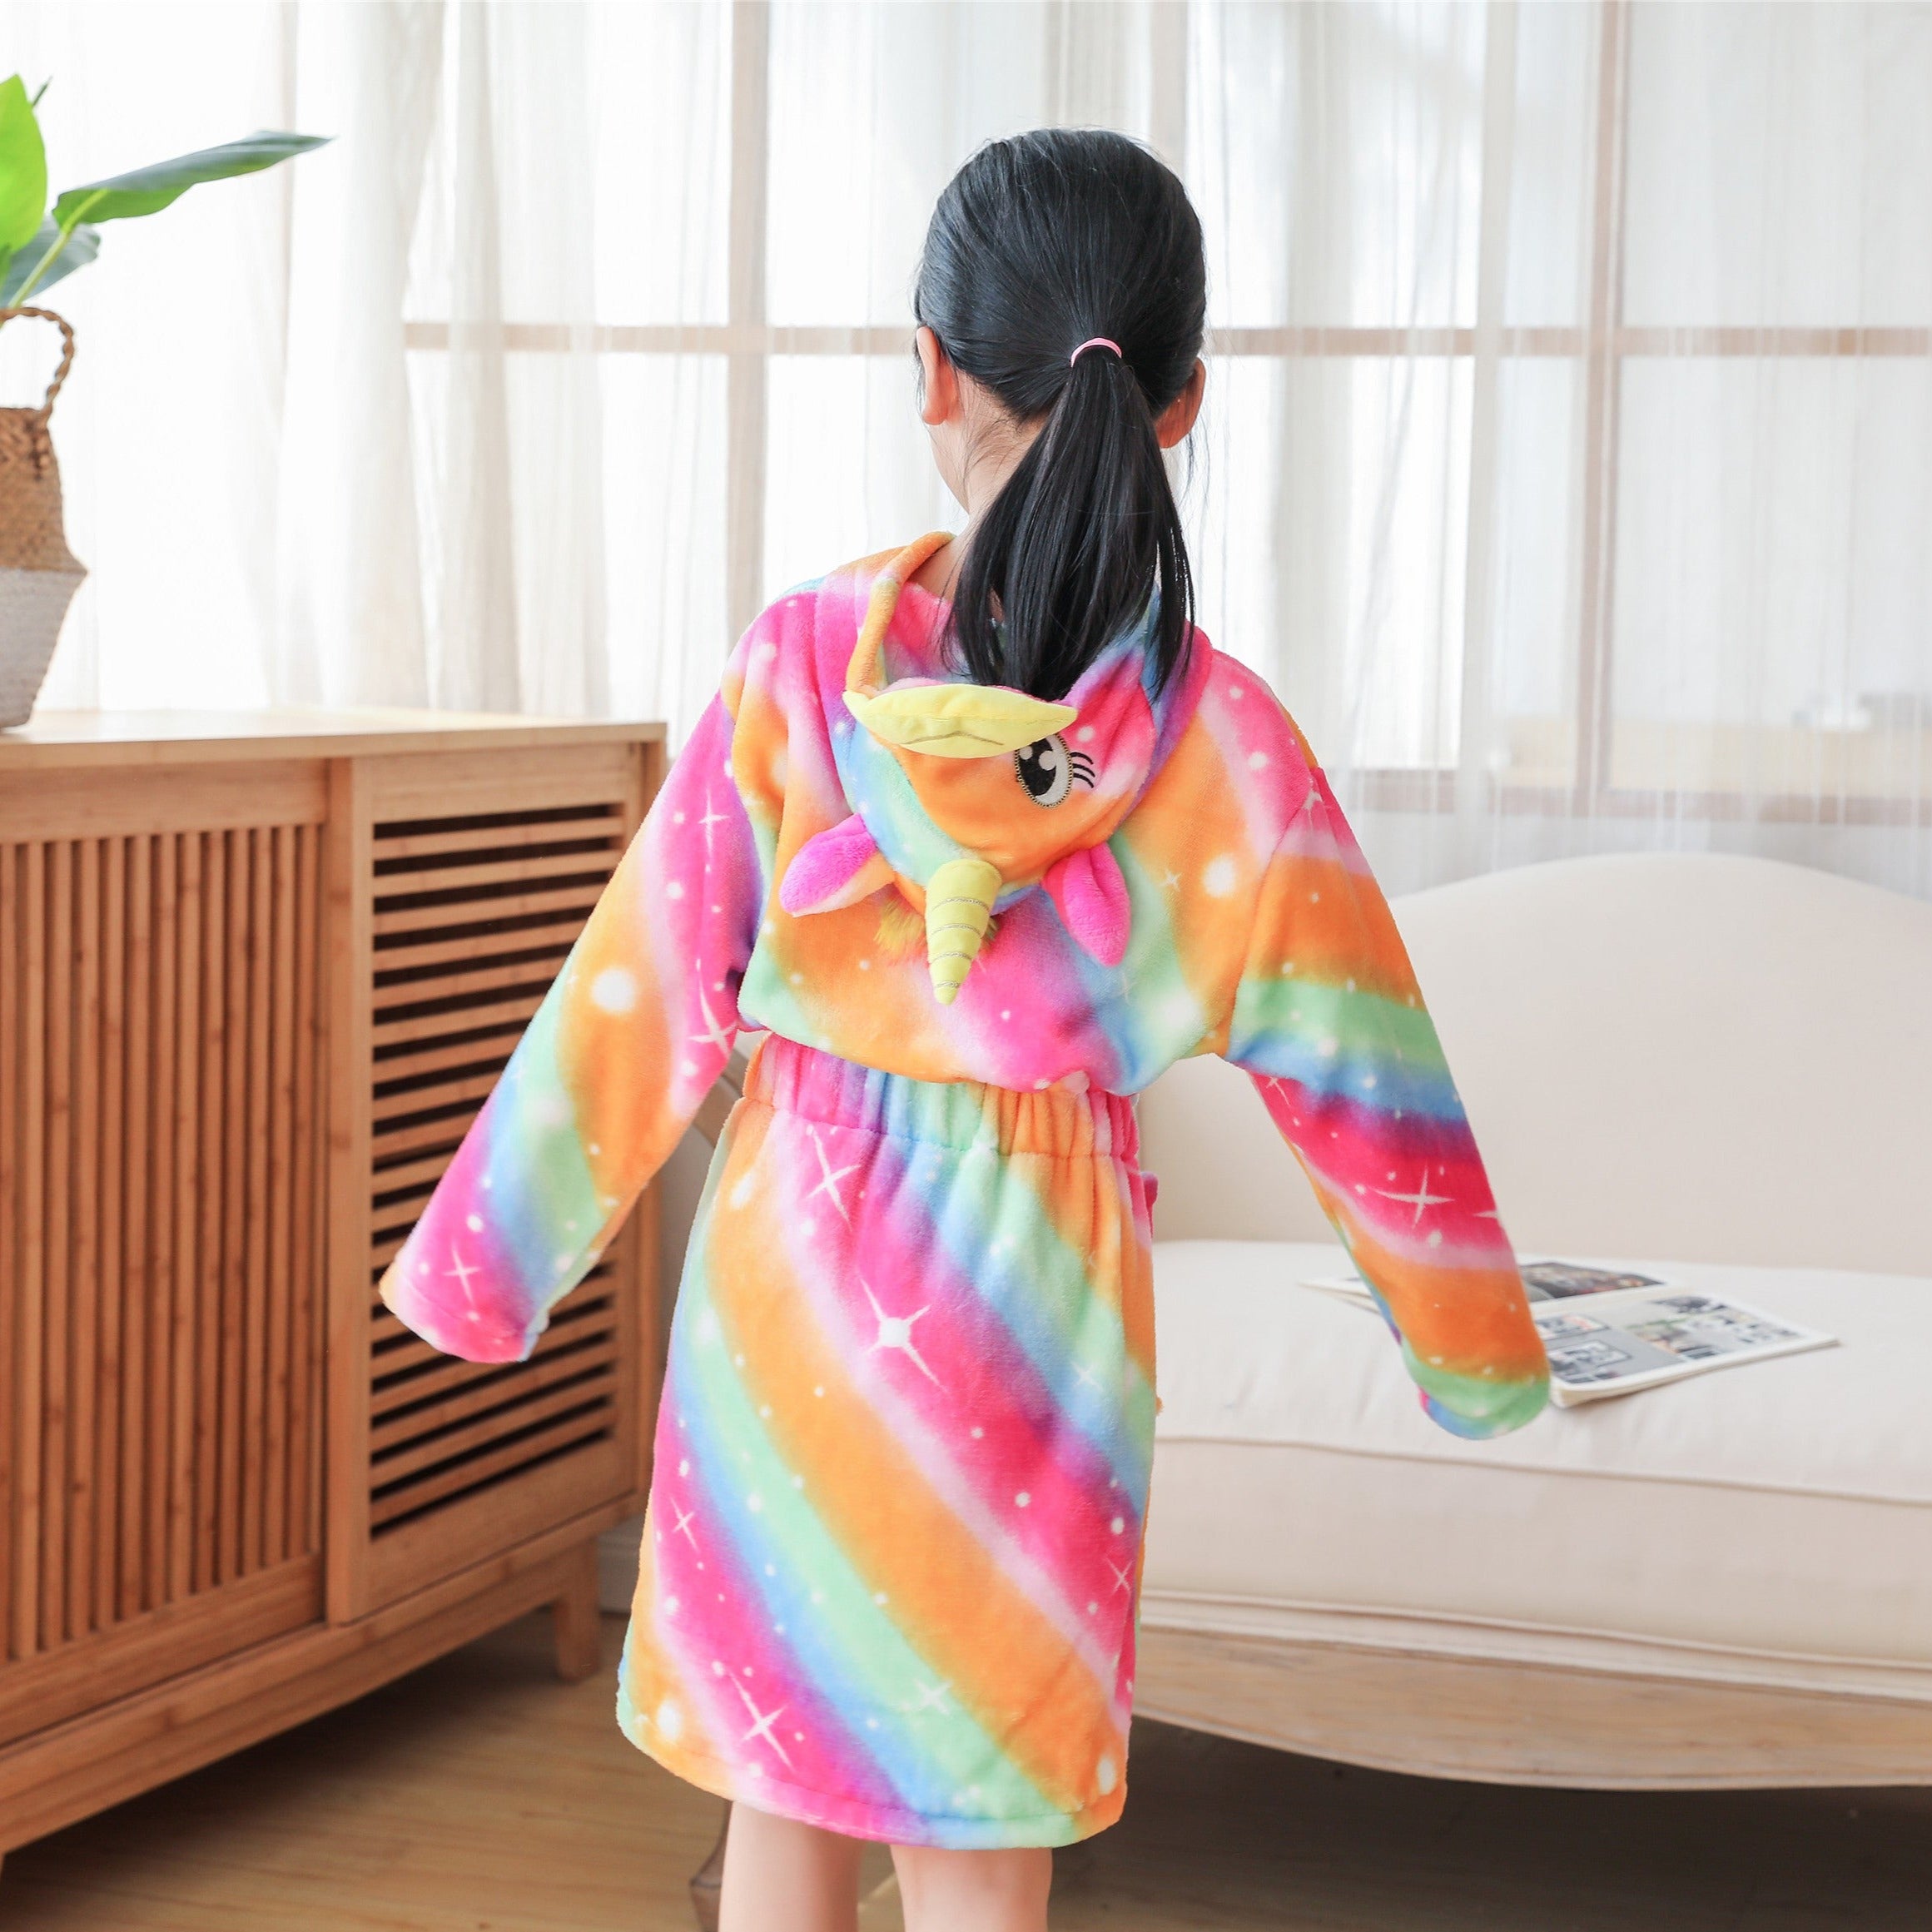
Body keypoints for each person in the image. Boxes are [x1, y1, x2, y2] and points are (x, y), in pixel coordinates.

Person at [380, 128, 1548, 1932]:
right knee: (975, 1812)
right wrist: (1471, 1345)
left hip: (788, 1284)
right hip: (1039, 1319)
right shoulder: (1224, 746)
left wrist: (481, 1266)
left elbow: (637, 985)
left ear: (929, 368)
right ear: (1181, 401)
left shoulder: (803, 670)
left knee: (785, 1785)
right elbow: (1365, 1073)